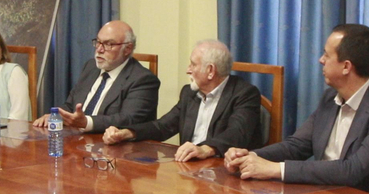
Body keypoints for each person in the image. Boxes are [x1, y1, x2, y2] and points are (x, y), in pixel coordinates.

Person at [224, 24, 369, 194]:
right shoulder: (330, 98)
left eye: (327, 55)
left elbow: (353, 170)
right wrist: (250, 157)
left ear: (346, 66)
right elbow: (296, 146)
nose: (321, 60)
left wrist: (275, 170)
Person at [102, 39, 263, 162]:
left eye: (193, 64)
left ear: (210, 71)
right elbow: (163, 126)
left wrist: (205, 149)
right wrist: (126, 132)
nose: (188, 70)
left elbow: (237, 134)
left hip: (225, 171)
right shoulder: (189, 93)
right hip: (189, 169)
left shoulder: (245, 94)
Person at [34, 20, 160, 134]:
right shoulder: (91, 67)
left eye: (108, 44)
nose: (99, 49)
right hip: (76, 143)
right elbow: (71, 106)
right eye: (98, 42)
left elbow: (128, 119)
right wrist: (56, 116)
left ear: (127, 49)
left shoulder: (143, 79)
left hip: (114, 149)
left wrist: (87, 122)